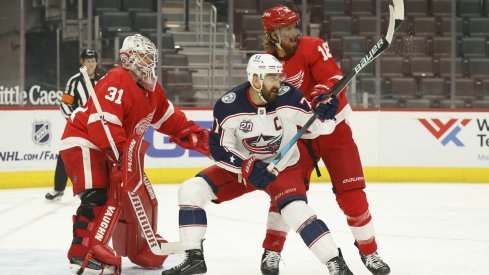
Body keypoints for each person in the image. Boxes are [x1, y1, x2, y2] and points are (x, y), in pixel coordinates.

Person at [161, 54, 353, 275]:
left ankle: (337, 264)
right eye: (271, 78)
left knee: (296, 211)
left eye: (278, 77)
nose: (278, 83)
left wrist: (327, 114)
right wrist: (246, 166)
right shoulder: (228, 106)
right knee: (191, 190)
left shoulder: (289, 96)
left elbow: (319, 128)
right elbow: (219, 149)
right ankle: (193, 258)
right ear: (255, 79)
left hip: (283, 167)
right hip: (243, 169)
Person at [58, 34, 210, 274]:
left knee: (132, 193)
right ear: (128, 58)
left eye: (151, 56)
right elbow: (103, 124)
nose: (149, 61)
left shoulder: (152, 91)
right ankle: (83, 255)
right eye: (144, 55)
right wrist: (120, 155)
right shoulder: (117, 79)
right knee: (98, 196)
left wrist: (197, 137)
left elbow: (171, 120)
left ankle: (141, 245)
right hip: (84, 142)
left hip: (113, 150)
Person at [259, 5, 390, 275]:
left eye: (295, 26)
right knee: (284, 195)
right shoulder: (265, 63)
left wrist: (322, 96)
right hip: (299, 139)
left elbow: (332, 78)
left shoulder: (313, 46)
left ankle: (370, 252)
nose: (295, 33)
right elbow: (266, 100)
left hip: (334, 131)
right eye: (287, 29)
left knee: (353, 196)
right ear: (273, 35)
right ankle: (271, 251)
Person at [45, 49, 102, 201]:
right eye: (88, 60)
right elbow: (65, 103)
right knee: (66, 153)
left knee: (103, 155)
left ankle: (103, 187)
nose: (91, 63)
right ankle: (58, 189)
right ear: (82, 62)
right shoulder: (74, 81)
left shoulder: (103, 81)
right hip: (79, 127)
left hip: (99, 126)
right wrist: (73, 120)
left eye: (93, 60)